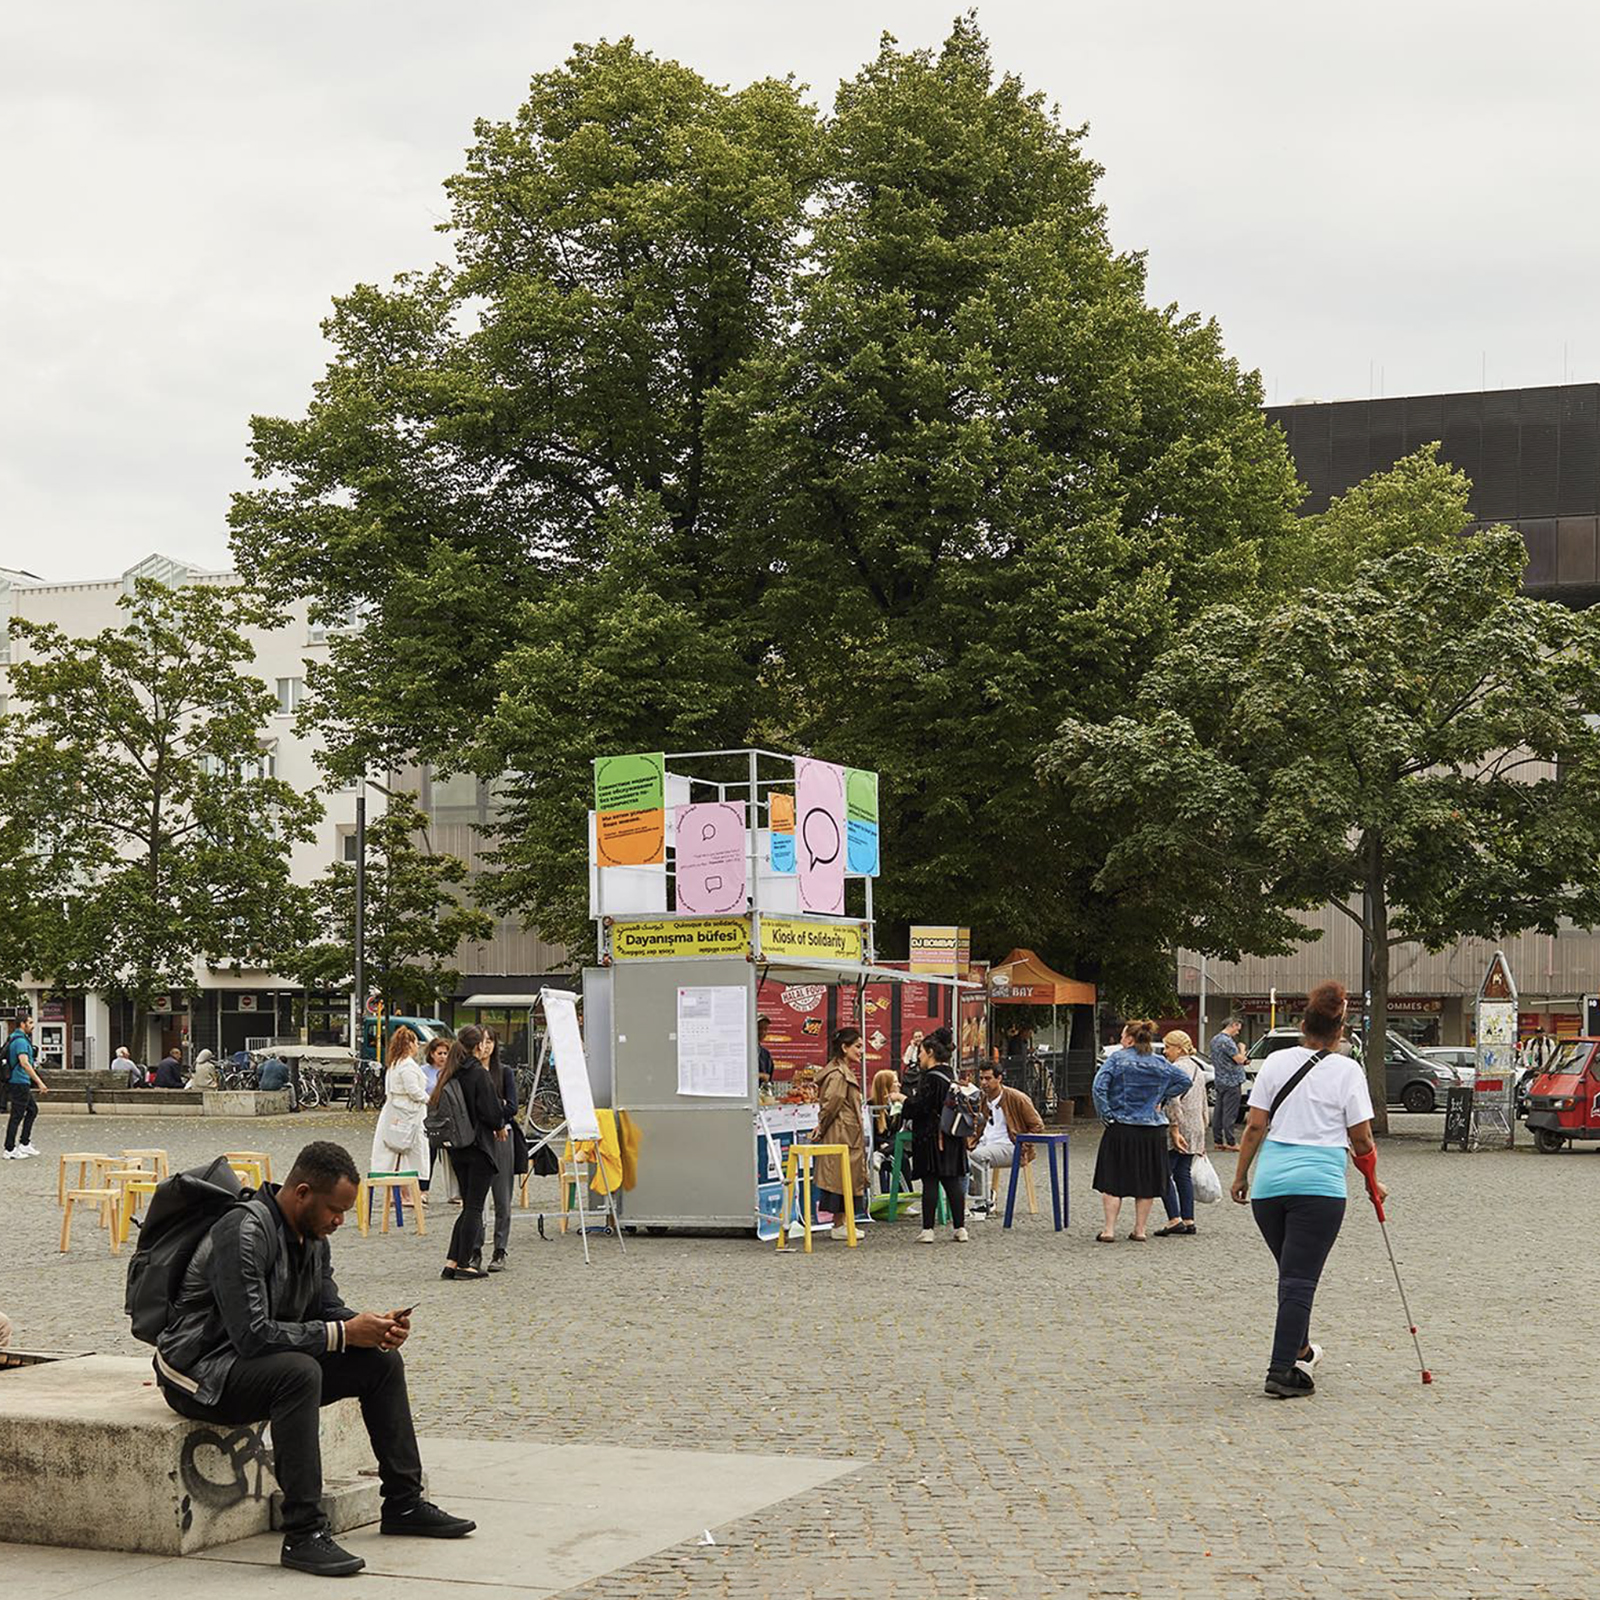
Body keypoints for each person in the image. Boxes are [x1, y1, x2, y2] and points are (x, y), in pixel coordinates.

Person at [154, 1140, 476, 1575]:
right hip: (201, 1372)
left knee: (379, 1363)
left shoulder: (313, 1234)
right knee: (299, 1373)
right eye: (334, 1210)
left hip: (253, 1361)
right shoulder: (242, 1231)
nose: (339, 1221)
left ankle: (403, 1503)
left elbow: (325, 1309)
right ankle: (304, 1534)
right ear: (302, 1192)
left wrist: (371, 1328)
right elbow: (252, 1336)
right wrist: (343, 1333)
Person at [1230, 981, 1385, 1399]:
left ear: (1302, 1025)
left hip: (1270, 1187)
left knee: (1292, 1272)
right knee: (1299, 1278)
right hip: (1319, 1188)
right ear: (1341, 1030)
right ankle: (1282, 1370)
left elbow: (1255, 1126)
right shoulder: (1348, 1070)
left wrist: (1241, 1175)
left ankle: (1299, 1346)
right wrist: (1373, 1182)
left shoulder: (1276, 1063)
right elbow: (1363, 1140)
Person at [1092, 1021, 1194, 1243]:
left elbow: (1098, 1088)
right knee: (1146, 1180)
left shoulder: (1116, 1060)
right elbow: (1184, 1081)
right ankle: (1140, 1230)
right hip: (1152, 1128)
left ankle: (1109, 1230)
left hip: (1121, 1126)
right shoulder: (1159, 1062)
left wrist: (1107, 1114)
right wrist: (1161, 1097)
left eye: (1122, 1036)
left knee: (1112, 1178)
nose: (1120, 1040)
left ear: (1129, 1039)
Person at [430, 1025, 506, 1280]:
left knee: (467, 1206)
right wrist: (499, 1123)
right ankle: (463, 1264)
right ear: (478, 1046)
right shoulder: (478, 1074)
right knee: (474, 1207)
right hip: (479, 1146)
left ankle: (451, 1261)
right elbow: (492, 1113)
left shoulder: (449, 1073)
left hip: (456, 1148)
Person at [900, 1033, 969, 1242]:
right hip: (952, 1135)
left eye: (921, 1052)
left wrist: (902, 1099)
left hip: (931, 1137)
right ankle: (960, 1228)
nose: (919, 1057)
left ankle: (928, 1230)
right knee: (952, 1182)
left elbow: (920, 1107)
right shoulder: (951, 1074)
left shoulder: (930, 1078)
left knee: (930, 1181)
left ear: (930, 1052)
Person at [966, 1062, 1044, 1217]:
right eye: (981, 1078)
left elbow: (1038, 1126)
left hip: (1011, 1145)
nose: (983, 1083)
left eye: (988, 1078)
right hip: (985, 1145)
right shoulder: (981, 1099)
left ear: (999, 1078)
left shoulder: (1016, 1098)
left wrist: (1023, 1145)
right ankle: (986, 1195)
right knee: (954, 1162)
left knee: (977, 1157)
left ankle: (983, 1203)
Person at [812, 1028, 868, 1240]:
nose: (861, 1051)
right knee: (840, 1177)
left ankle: (843, 1222)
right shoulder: (838, 1074)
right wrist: (823, 1125)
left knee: (846, 1177)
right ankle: (839, 1224)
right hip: (841, 1132)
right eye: (858, 1046)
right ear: (844, 1048)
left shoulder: (841, 1070)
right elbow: (831, 1103)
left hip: (845, 1131)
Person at [1154, 1029, 1208, 1237]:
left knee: (1164, 1173)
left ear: (1178, 1048)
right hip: (1196, 1126)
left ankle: (1174, 1218)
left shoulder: (1175, 1069)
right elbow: (1204, 1101)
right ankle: (1189, 1218)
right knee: (1182, 1173)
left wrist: (1174, 1128)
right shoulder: (1198, 1068)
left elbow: (1173, 1101)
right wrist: (1204, 1126)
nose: (1166, 1052)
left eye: (1168, 1047)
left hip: (1179, 1125)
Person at [370, 1025, 431, 1201]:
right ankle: (405, 1194)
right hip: (408, 1114)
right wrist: (429, 1099)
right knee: (407, 1151)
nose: (417, 1046)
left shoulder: (395, 1065)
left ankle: (398, 1193)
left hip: (396, 1111)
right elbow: (414, 1091)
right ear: (409, 1044)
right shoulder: (407, 1066)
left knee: (396, 1152)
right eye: (415, 1042)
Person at [483, 1029, 521, 1272]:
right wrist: (498, 1107)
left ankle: (499, 1249)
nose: (485, 1046)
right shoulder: (469, 1073)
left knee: (502, 1198)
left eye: (489, 1041)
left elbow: (513, 1107)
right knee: (474, 1200)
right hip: (476, 1139)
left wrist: (495, 1112)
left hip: (501, 1138)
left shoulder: (503, 1072)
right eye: (481, 1041)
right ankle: (473, 1249)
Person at [4, 1017, 48, 1159]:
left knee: (32, 1110)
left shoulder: (15, 1038)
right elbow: (24, 1063)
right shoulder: (21, 1041)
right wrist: (39, 1082)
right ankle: (9, 1149)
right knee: (16, 1116)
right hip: (19, 1082)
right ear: (22, 1024)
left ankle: (24, 1143)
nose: (32, 1026)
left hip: (20, 1082)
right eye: (30, 1023)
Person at [418, 1036, 452, 1197]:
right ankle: (424, 1189)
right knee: (428, 1153)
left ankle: (455, 1192)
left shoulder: (451, 1071)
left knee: (452, 1155)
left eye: (445, 1053)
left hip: (448, 1117)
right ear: (432, 1054)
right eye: (439, 1053)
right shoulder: (423, 1071)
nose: (443, 1057)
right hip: (429, 1116)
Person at [1209, 1017, 1249, 1152]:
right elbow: (1239, 1060)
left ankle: (1218, 1140)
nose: (1237, 1032)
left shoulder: (1214, 1040)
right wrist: (1242, 1049)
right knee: (1229, 1114)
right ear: (1233, 1025)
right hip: (1232, 1081)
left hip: (1220, 1080)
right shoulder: (1227, 1042)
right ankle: (1231, 1142)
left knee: (1218, 1112)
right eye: (1237, 1029)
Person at [756, 1016, 776, 1088]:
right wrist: (758, 1075)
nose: (762, 1032)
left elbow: (768, 1078)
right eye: (759, 1028)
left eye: (765, 1029)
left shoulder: (765, 1054)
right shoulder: (741, 1051)